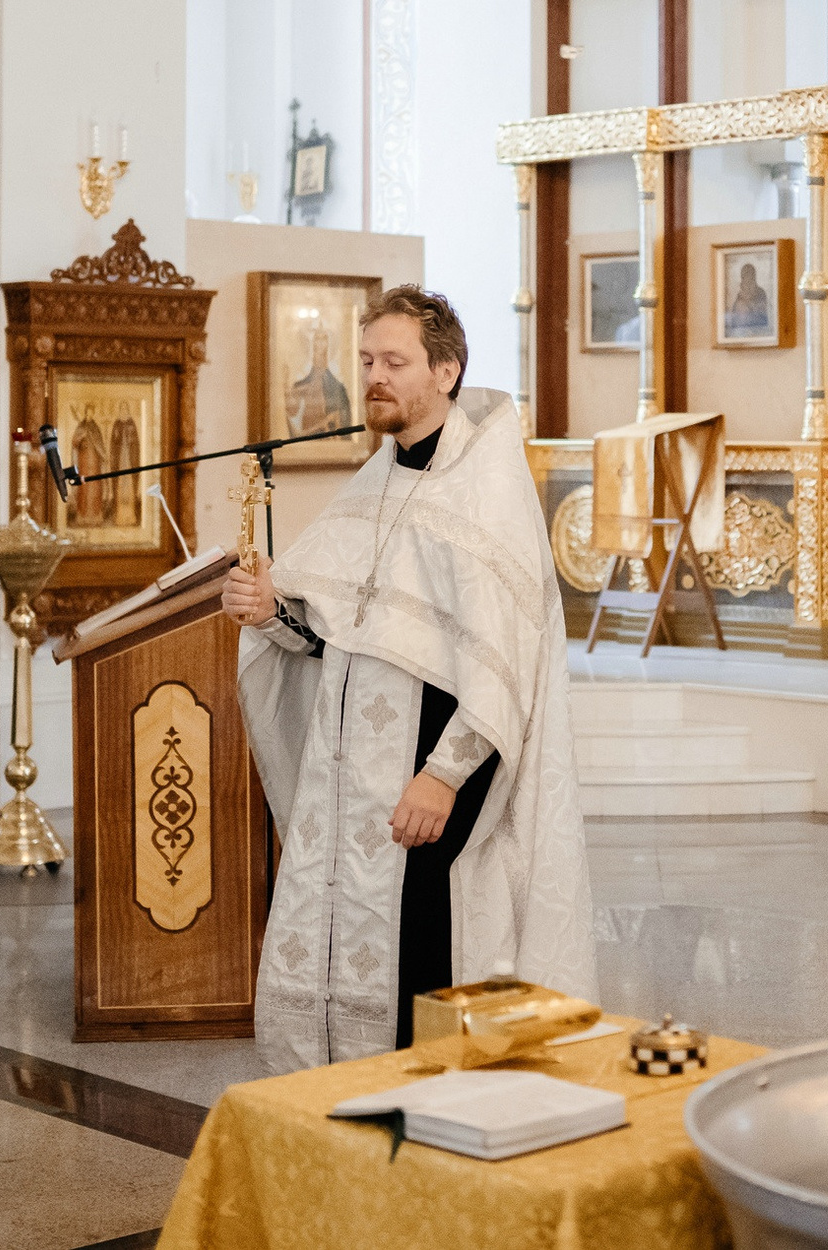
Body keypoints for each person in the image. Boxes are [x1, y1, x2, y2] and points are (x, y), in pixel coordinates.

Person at [220, 284, 595, 1073]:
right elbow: (336, 635)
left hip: (431, 777)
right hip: (349, 779)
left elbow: (505, 669)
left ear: (446, 371)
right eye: (366, 361)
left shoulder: (486, 493)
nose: (375, 377)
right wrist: (270, 611)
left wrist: (442, 777)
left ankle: (421, 1126)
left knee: (423, 954)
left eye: (395, 361)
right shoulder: (377, 481)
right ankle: (343, 1107)